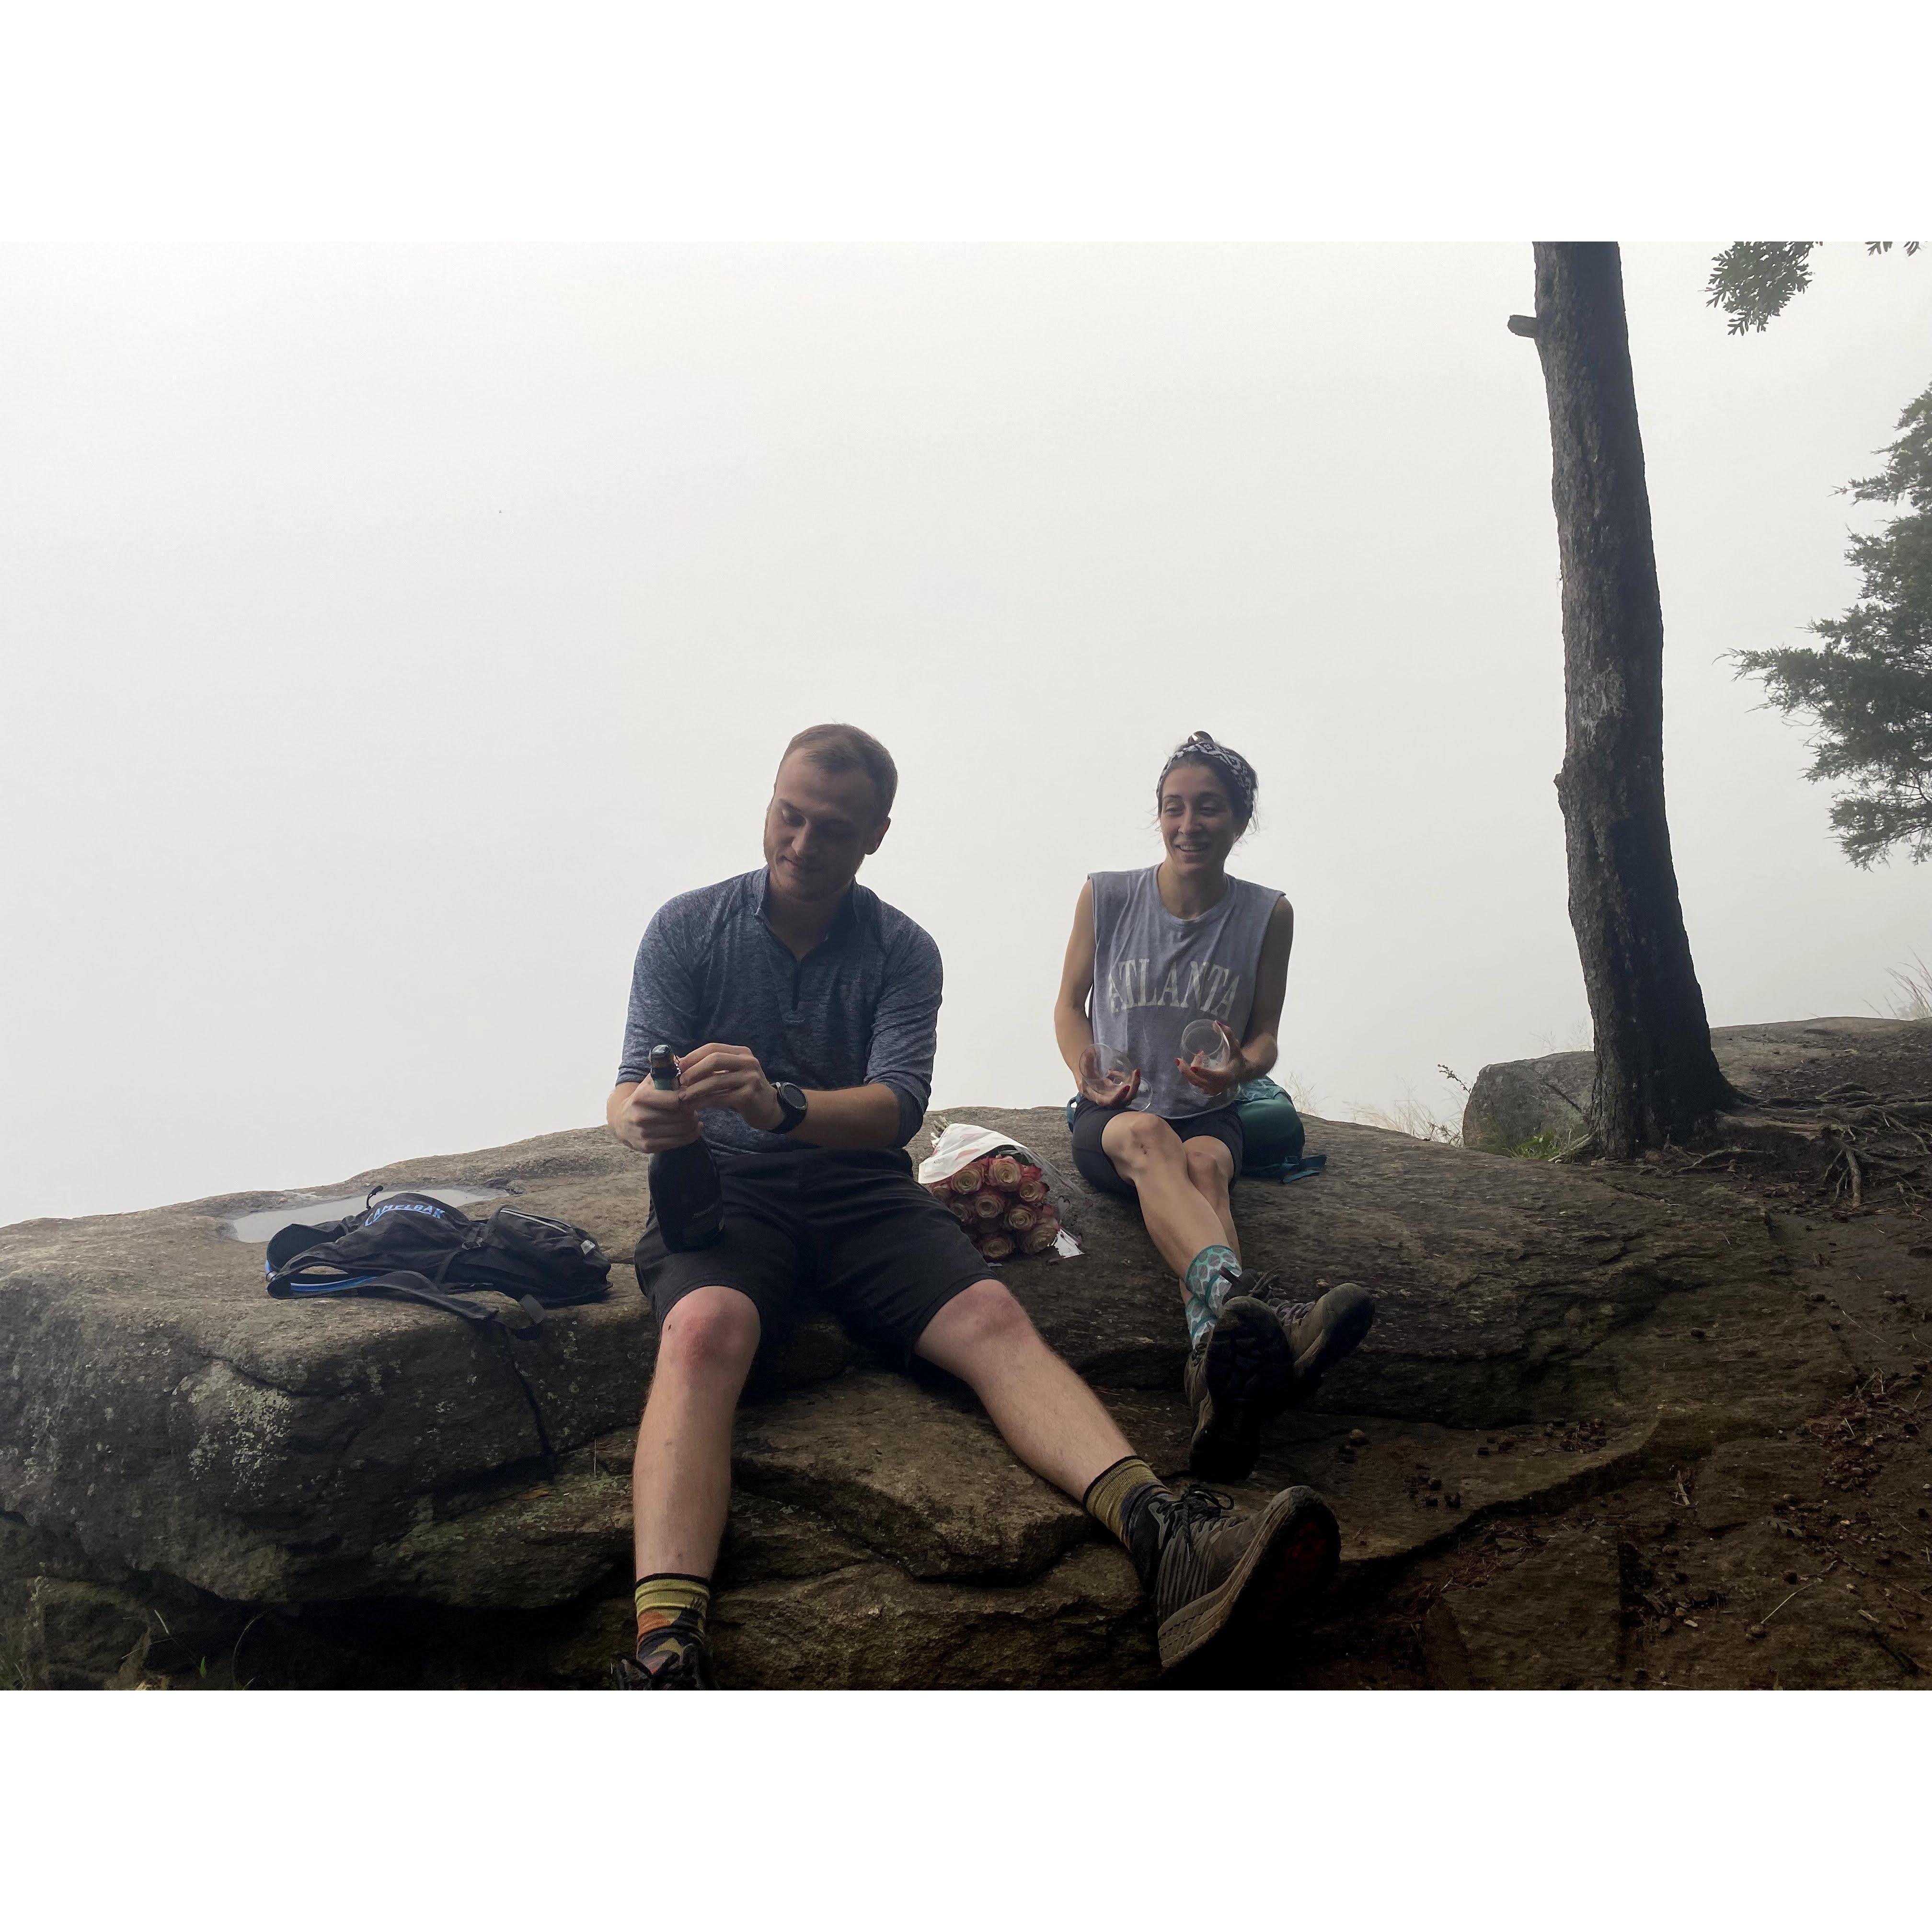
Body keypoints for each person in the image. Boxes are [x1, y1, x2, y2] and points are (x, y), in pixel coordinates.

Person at [607, 722, 1340, 1687]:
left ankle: (1165, 1540)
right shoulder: (686, 928)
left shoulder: (903, 950)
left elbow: (896, 1108)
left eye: (833, 828)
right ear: (771, 803)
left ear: (876, 836)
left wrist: (778, 1103)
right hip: (729, 1194)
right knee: (703, 1327)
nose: (802, 843)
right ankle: (666, 1652)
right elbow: (623, 1094)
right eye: (789, 815)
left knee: (993, 1315)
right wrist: (646, 1116)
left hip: (863, 1194)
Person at [1054, 731, 1374, 1484]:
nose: (1189, 824)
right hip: (1118, 1115)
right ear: (1159, 817)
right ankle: (1255, 1309)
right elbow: (1070, 1006)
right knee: (1153, 1142)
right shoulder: (1108, 895)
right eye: (1175, 808)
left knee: (1204, 1163)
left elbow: (1264, 1036)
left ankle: (1217, 1384)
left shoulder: (1268, 914)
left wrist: (1240, 1070)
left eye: (1209, 809)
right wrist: (1085, 1068)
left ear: (1239, 820)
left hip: (1211, 1114)